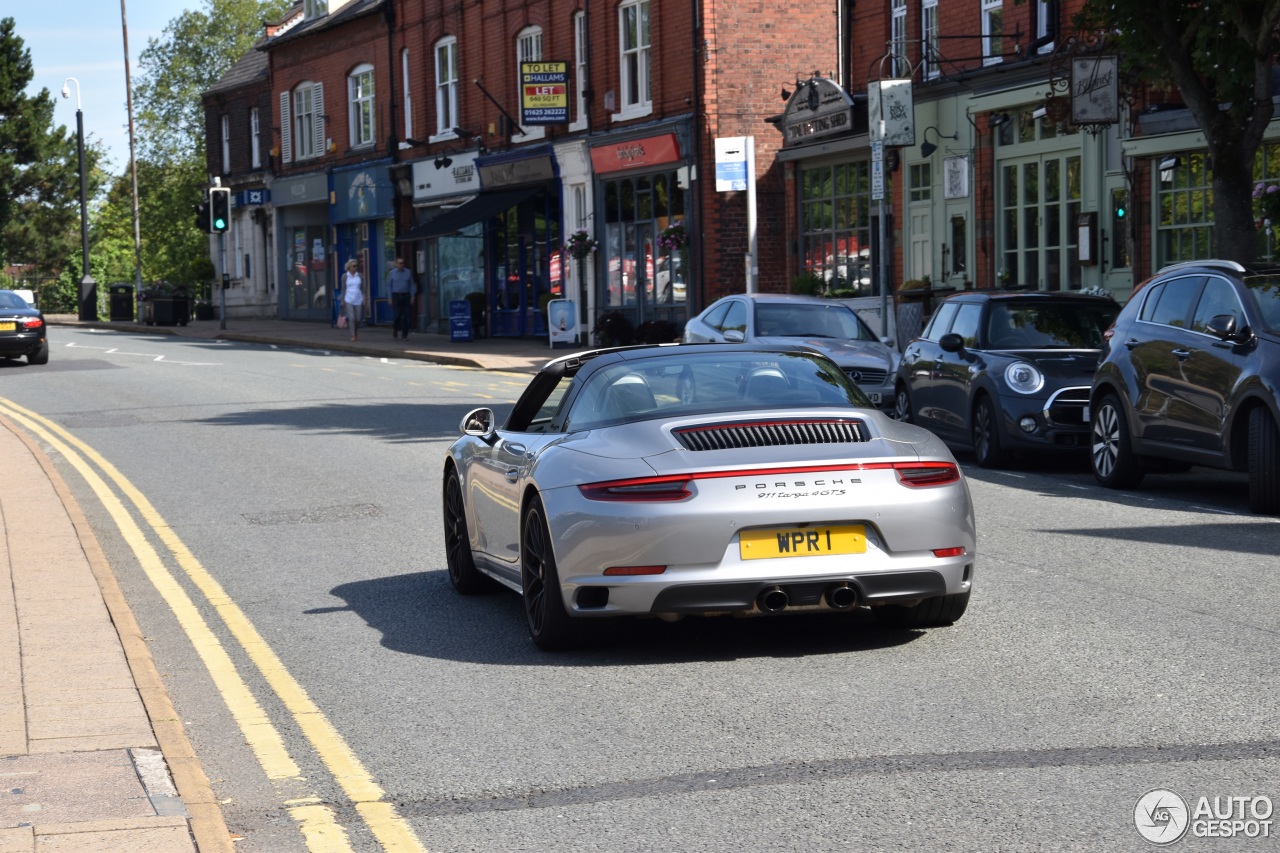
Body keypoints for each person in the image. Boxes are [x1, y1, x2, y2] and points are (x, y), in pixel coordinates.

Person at [387, 256, 418, 339]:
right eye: (400, 263)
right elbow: (389, 286)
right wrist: (389, 298)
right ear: (396, 264)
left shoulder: (408, 272)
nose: (402, 264)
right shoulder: (392, 273)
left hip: (406, 295)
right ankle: (395, 329)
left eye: (403, 263)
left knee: (406, 316)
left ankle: (405, 334)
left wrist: (412, 296)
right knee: (397, 315)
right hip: (396, 295)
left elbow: (411, 285)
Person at [341, 259, 363, 341]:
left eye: (356, 266)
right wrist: (342, 300)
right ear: (349, 267)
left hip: (358, 299)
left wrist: (365, 297)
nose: (355, 267)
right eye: (353, 266)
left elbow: (363, 288)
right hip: (348, 299)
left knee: (358, 318)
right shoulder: (345, 276)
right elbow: (343, 289)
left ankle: (355, 332)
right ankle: (352, 335)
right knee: (351, 317)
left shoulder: (359, 275)